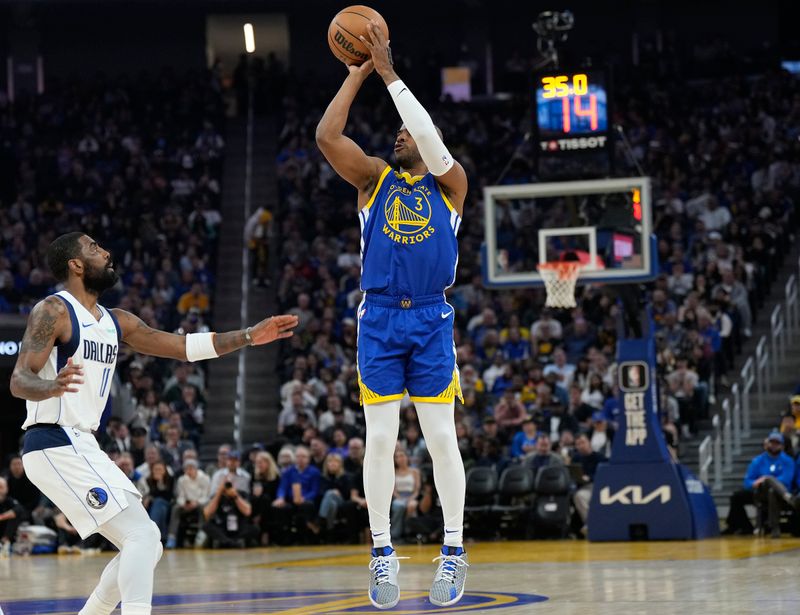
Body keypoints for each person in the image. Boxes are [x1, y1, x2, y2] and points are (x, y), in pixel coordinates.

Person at [9, 232, 298, 615]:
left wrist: (247, 336)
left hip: (81, 444)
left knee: (148, 543)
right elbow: (18, 381)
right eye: (94, 248)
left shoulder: (117, 322)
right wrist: (50, 385)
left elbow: (181, 348)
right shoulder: (53, 311)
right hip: (52, 441)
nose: (106, 251)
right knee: (141, 536)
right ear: (75, 265)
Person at [316, 21, 469, 609]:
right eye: (398, 130)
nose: (401, 135)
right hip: (379, 319)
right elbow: (328, 136)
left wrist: (391, 75)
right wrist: (358, 76)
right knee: (379, 442)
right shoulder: (373, 179)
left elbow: (433, 141)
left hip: (431, 320)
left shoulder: (450, 185)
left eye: (410, 131)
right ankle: (382, 553)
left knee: (440, 441)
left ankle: (453, 552)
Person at [724, 432, 797, 537]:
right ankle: (746, 526)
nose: (774, 445)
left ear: (782, 446)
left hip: (778, 494)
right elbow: (747, 482)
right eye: (772, 442)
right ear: (767, 444)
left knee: (771, 490)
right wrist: (758, 482)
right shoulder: (757, 461)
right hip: (760, 492)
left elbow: (786, 480)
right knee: (736, 497)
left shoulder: (788, 461)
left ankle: (773, 528)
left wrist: (766, 478)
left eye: (777, 443)